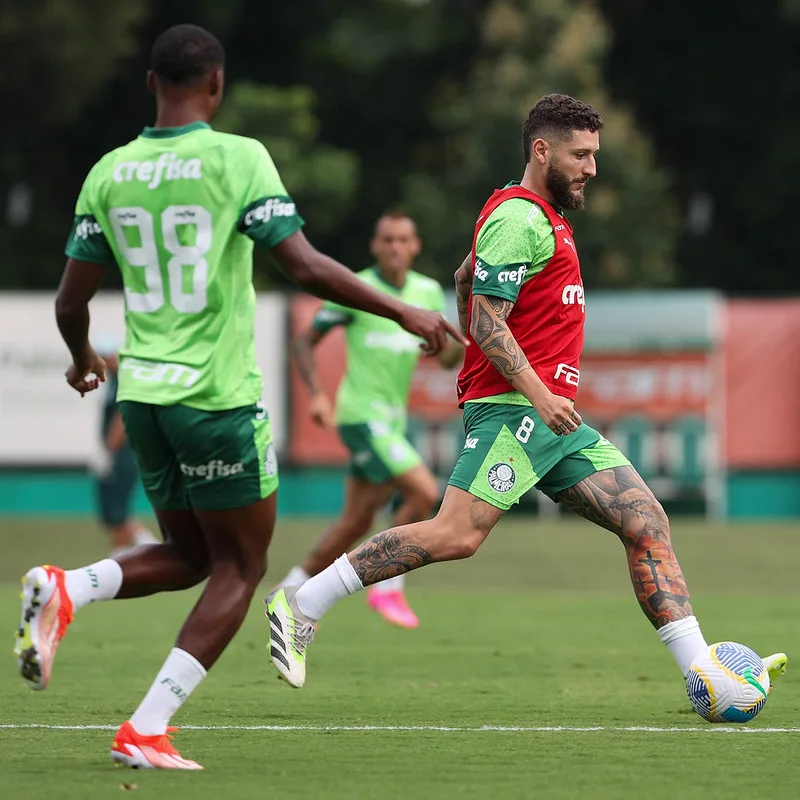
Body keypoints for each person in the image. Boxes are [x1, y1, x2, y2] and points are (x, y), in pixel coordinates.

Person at [13, 23, 462, 771]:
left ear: (152, 85)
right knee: (241, 568)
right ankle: (146, 727)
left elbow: (70, 300)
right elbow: (305, 266)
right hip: (216, 401)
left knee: (191, 554)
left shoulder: (109, 172)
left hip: (144, 400)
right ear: (216, 87)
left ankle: (68, 586)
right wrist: (402, 309)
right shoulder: (237, 158)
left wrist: (82, 356)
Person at [265, 93, 788, 699]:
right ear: (542, 151)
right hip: (518, 412)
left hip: (552, 423)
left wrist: (494, 361)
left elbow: (466, 280)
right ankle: (303, 602)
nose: (592, 167)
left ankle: (704, 674)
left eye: (595, 155)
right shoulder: (520, 218)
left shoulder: (541, 217)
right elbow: (488, 318)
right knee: (455, 534)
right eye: (581, 154)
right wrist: (533, 393)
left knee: (645, 521)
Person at [279, 211, 464, 628]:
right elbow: (305, 342)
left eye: (403, 239)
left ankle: (288, 591)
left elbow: (447, 358)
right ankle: (386, 586)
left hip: (391, 421)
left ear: (414, 246)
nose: (395, 247)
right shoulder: (358, 290)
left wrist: (456, 341)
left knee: (356, 521)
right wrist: (316, 395)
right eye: (387, 240)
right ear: (374, 246)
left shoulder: (426, 291)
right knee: (422, 489)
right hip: (360, 416)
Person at [90, 337, 159, 556]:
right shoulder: (112, 382)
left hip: (123, 454)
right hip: (118, 454)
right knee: (112, 512)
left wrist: (108, 451)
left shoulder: (123, 381)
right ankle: (133, 551)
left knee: (116, 510)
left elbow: (122, 418)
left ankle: (141, 552)